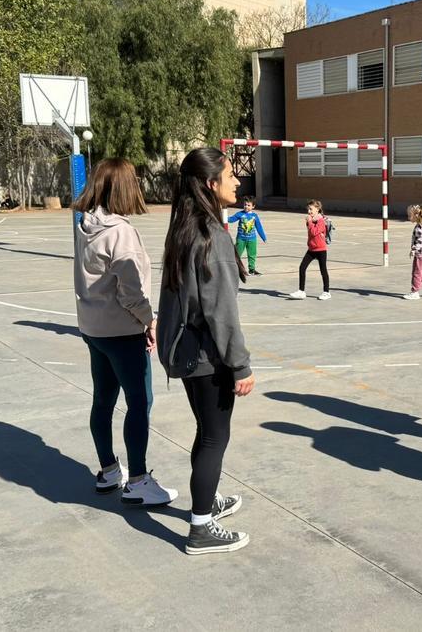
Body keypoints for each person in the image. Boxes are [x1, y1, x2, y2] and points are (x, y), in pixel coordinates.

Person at [158, 147, 254, 555]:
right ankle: (199, 528)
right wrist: (240, 364)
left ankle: (205, 500)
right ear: (212, 184)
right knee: (216, 437)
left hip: (187, 350)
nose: (237, 182)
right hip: (207, 356)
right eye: (231, 175)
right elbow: (222, 311)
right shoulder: (212, 236)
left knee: (206, 432)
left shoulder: (185, 225)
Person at [72, 158, 175, 508]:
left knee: (103, 399)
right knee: (139, 401)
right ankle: (139, 479)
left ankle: (109, 469)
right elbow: (130, 292)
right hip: (121, 330)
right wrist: (150, 320)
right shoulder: (121, 233)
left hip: (94, 328)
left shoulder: (85, 225)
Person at [287, 199, 331, 301]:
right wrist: (310, 222)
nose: (309, 211)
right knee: (302, 267)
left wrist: (310, 222)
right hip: (311, 249)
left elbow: (314, 232)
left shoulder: (321, 220)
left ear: (317, 209)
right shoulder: (313, 219)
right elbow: (310, 231)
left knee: (323, 270)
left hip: (320, 249)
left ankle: (326, 292)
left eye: (311, 209)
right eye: (308, 209)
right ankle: (301, 291)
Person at [228, 195, 268, 275]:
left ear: (253, 206)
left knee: (252, 254)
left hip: (252, 239)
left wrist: (264, 237)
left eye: (248, 205)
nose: (246, 206)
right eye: (245, 204)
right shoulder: (240, 214)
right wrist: (223, 217)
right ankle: (235, 269)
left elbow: (259, 227)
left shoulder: (254, 216)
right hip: (241, 239)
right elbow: (231, 220)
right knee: (237, 254)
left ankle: (252, 270)